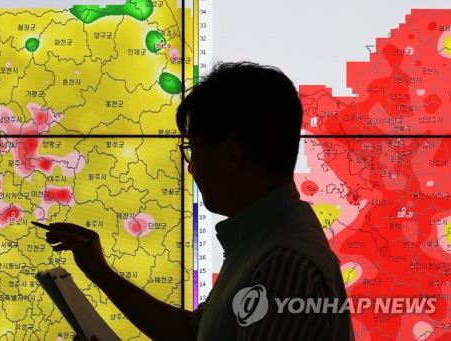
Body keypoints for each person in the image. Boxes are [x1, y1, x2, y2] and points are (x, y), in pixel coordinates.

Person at [40, 62, 354, 340]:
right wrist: (100, 272)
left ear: (231, 154)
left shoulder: (282, 266)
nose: (190, 165)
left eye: (194, 148)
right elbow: (195, 333)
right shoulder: (265, 241)